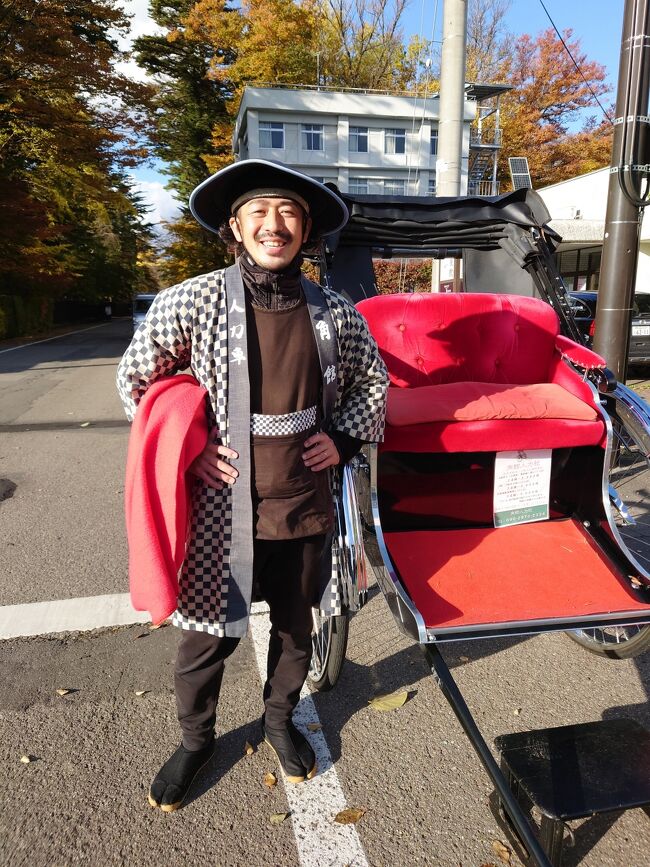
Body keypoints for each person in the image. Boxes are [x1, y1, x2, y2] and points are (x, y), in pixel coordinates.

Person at [116, 158, 388, 812]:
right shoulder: (194, 299)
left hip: (304, 502)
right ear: (234, 227)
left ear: (307, 229)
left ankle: (278, 720)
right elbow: (135, 380)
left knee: (297, 629)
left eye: (289, 212)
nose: (275, 224)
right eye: (260, 212)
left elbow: (373, 385)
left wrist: (345, 438)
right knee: (207, 635)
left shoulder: (335, 312)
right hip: (220, 506)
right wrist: (194, 445)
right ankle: (195, 738)